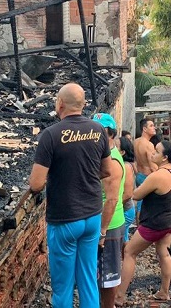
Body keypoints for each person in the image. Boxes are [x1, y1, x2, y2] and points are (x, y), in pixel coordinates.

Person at [28, 83, 121, 308]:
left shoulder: (50, 135)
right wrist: (84, 175)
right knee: (88, 279)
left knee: (63, 286)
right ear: (83, 104)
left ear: (60, 104)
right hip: (92, 216)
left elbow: (36, 184)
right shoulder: (98, 130)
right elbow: (107, 170)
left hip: (65, 219)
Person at [115, 140, 171, 305]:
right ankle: (164, 292)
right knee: (164, 253)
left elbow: (136, 195)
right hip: (170, 220)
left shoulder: (157, 175)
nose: (152, 154)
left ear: (164, 157)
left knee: (130, 251)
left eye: (156, 152)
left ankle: (119, 296)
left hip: (155, 223)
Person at [92, 113, 130, 308]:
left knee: (108, 277)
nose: (95, 136)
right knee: (101, 274)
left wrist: (102, 232)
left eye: (100, 132)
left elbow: (112, 199)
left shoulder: (112, 163)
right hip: (106, 225)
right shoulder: (103, 157)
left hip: (110, 227)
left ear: (112, 134)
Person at [133, 118, 158, 221]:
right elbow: (153, 166)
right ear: (144, 129)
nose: (154, 128)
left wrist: (136, 173)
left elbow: (133, 160)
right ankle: (143, 226)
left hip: (138, 175)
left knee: (140, 202)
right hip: (147, 176)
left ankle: (140, 226)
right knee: (147, 204)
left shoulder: (135, 141)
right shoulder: (149, 145)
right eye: (151, 126)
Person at [119, 136, 137, 243]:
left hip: (125, 210)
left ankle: (126, 257)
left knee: (121, 238)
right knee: (123, 237)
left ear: (122, 152)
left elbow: (128, 193)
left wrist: (114, 207)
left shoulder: (126, 166)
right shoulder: (123, 165)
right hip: (125, 208)